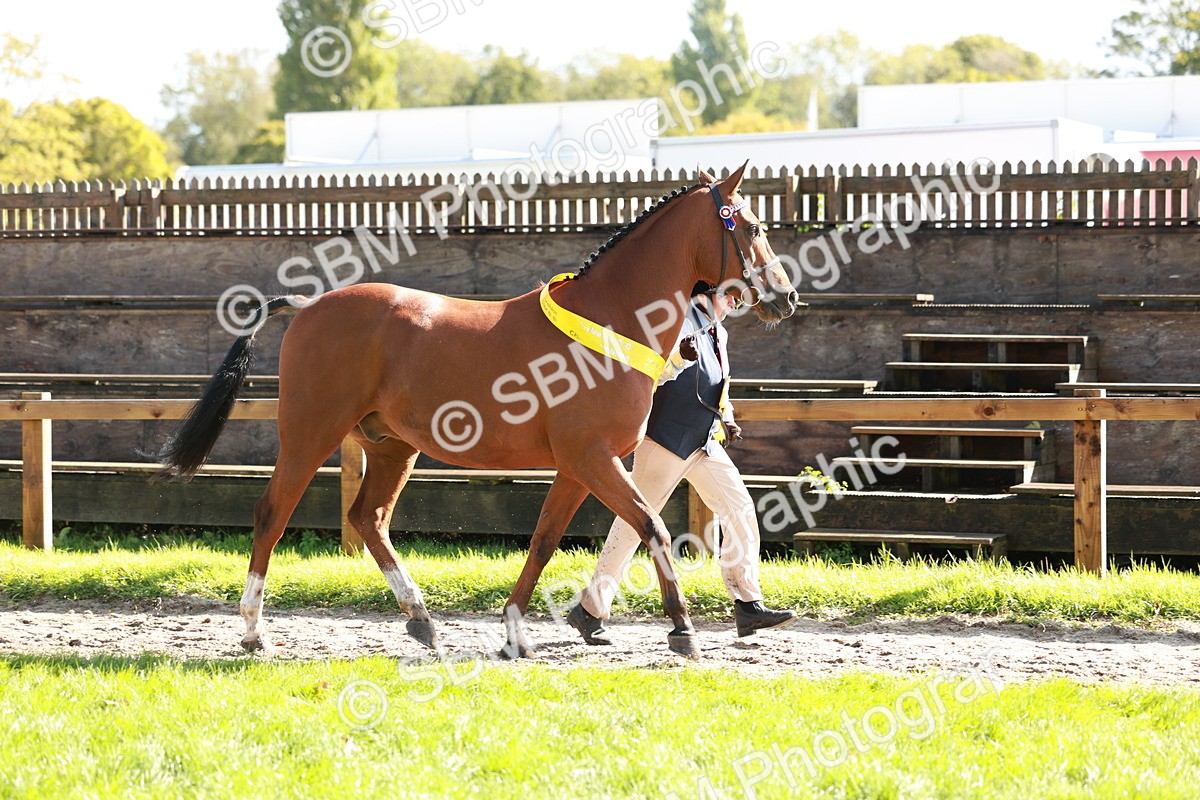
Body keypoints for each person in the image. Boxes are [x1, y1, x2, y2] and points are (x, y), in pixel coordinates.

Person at [567, 282, 797, 644]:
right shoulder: (673, 322)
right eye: (728, 294)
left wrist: (728, 415)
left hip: (705, 440)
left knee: (740, 508)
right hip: (666, 440)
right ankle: (589, 609)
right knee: (634, 524)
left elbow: (721, 384)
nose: (734, 301)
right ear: (704, 293)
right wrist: (679, 357)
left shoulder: (718, 330)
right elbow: (649, 378)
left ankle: (747, 605)